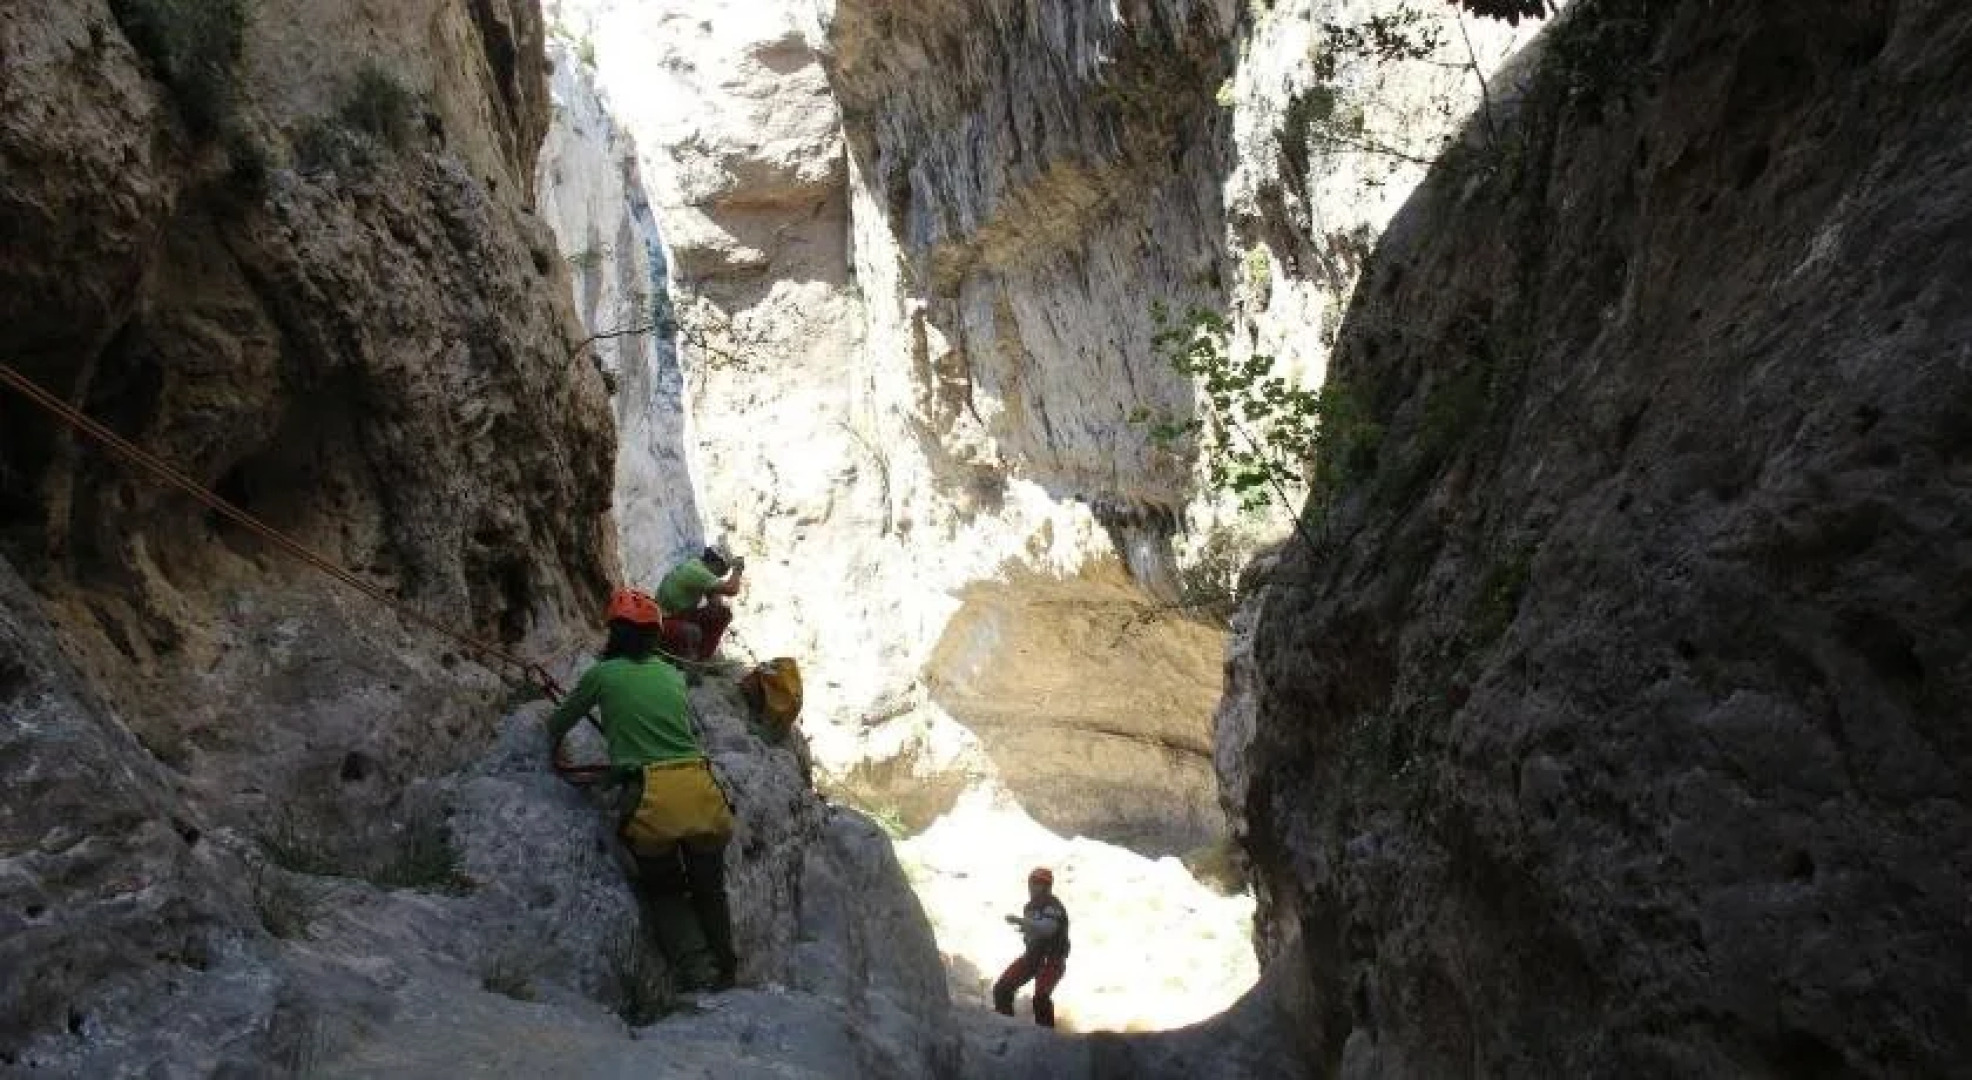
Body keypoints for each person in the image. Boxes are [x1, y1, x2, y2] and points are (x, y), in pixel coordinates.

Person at [545, 587, 738, 992]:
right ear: (656, 636)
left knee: (666, 891)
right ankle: (726, 965)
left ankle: (699, 974)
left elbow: (559, 721)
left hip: (651, 797)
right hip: (700, 788)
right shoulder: (672, 674)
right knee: (709, 888)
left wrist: (556, 746)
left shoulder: (601, 674)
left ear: (613, 632)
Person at [992, 867, 1070, 1027]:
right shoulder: (1030, 907)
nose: (1033, 886)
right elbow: (1035, 932)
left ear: (1048, 887)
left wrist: (1022, 922)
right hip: (1032, 957)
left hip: (1052, 959)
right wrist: (1025, 928)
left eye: (1039, 883)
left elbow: (1048, 928)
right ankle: (1007, 1026)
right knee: (1001, 989)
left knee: (1041, 998)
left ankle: (1047, 1037)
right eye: (1032, 882)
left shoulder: (1053, 905)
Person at [655, 547, 745, 662]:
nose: (723, 574)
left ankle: (698, 656)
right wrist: (737, 570)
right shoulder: (696, 572)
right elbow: (732, 590)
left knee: (722, 613)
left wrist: (714, 594)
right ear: (717, 564)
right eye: (724, 570)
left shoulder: (696, 566)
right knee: (692, 631)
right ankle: (695, 662)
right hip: (664, 621)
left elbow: (716, 604)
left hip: (676, 615)